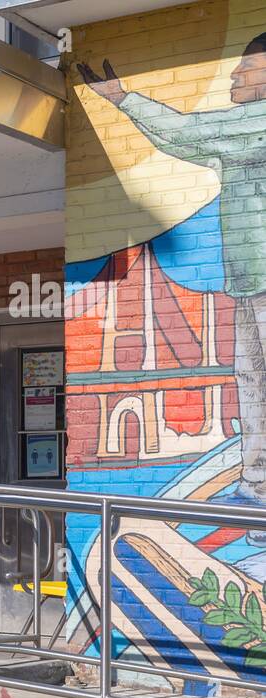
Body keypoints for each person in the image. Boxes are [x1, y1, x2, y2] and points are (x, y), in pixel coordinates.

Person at [80, 40, 266, 504]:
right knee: (251, 379)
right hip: (249, 280)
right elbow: (175, 139)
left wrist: (125, 100)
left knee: (255, 379)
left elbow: (185, 132)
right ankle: (258, 484)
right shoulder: (241, 136)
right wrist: (125, 105)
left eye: (245, 67)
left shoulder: (257, 123)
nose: (233, 76)